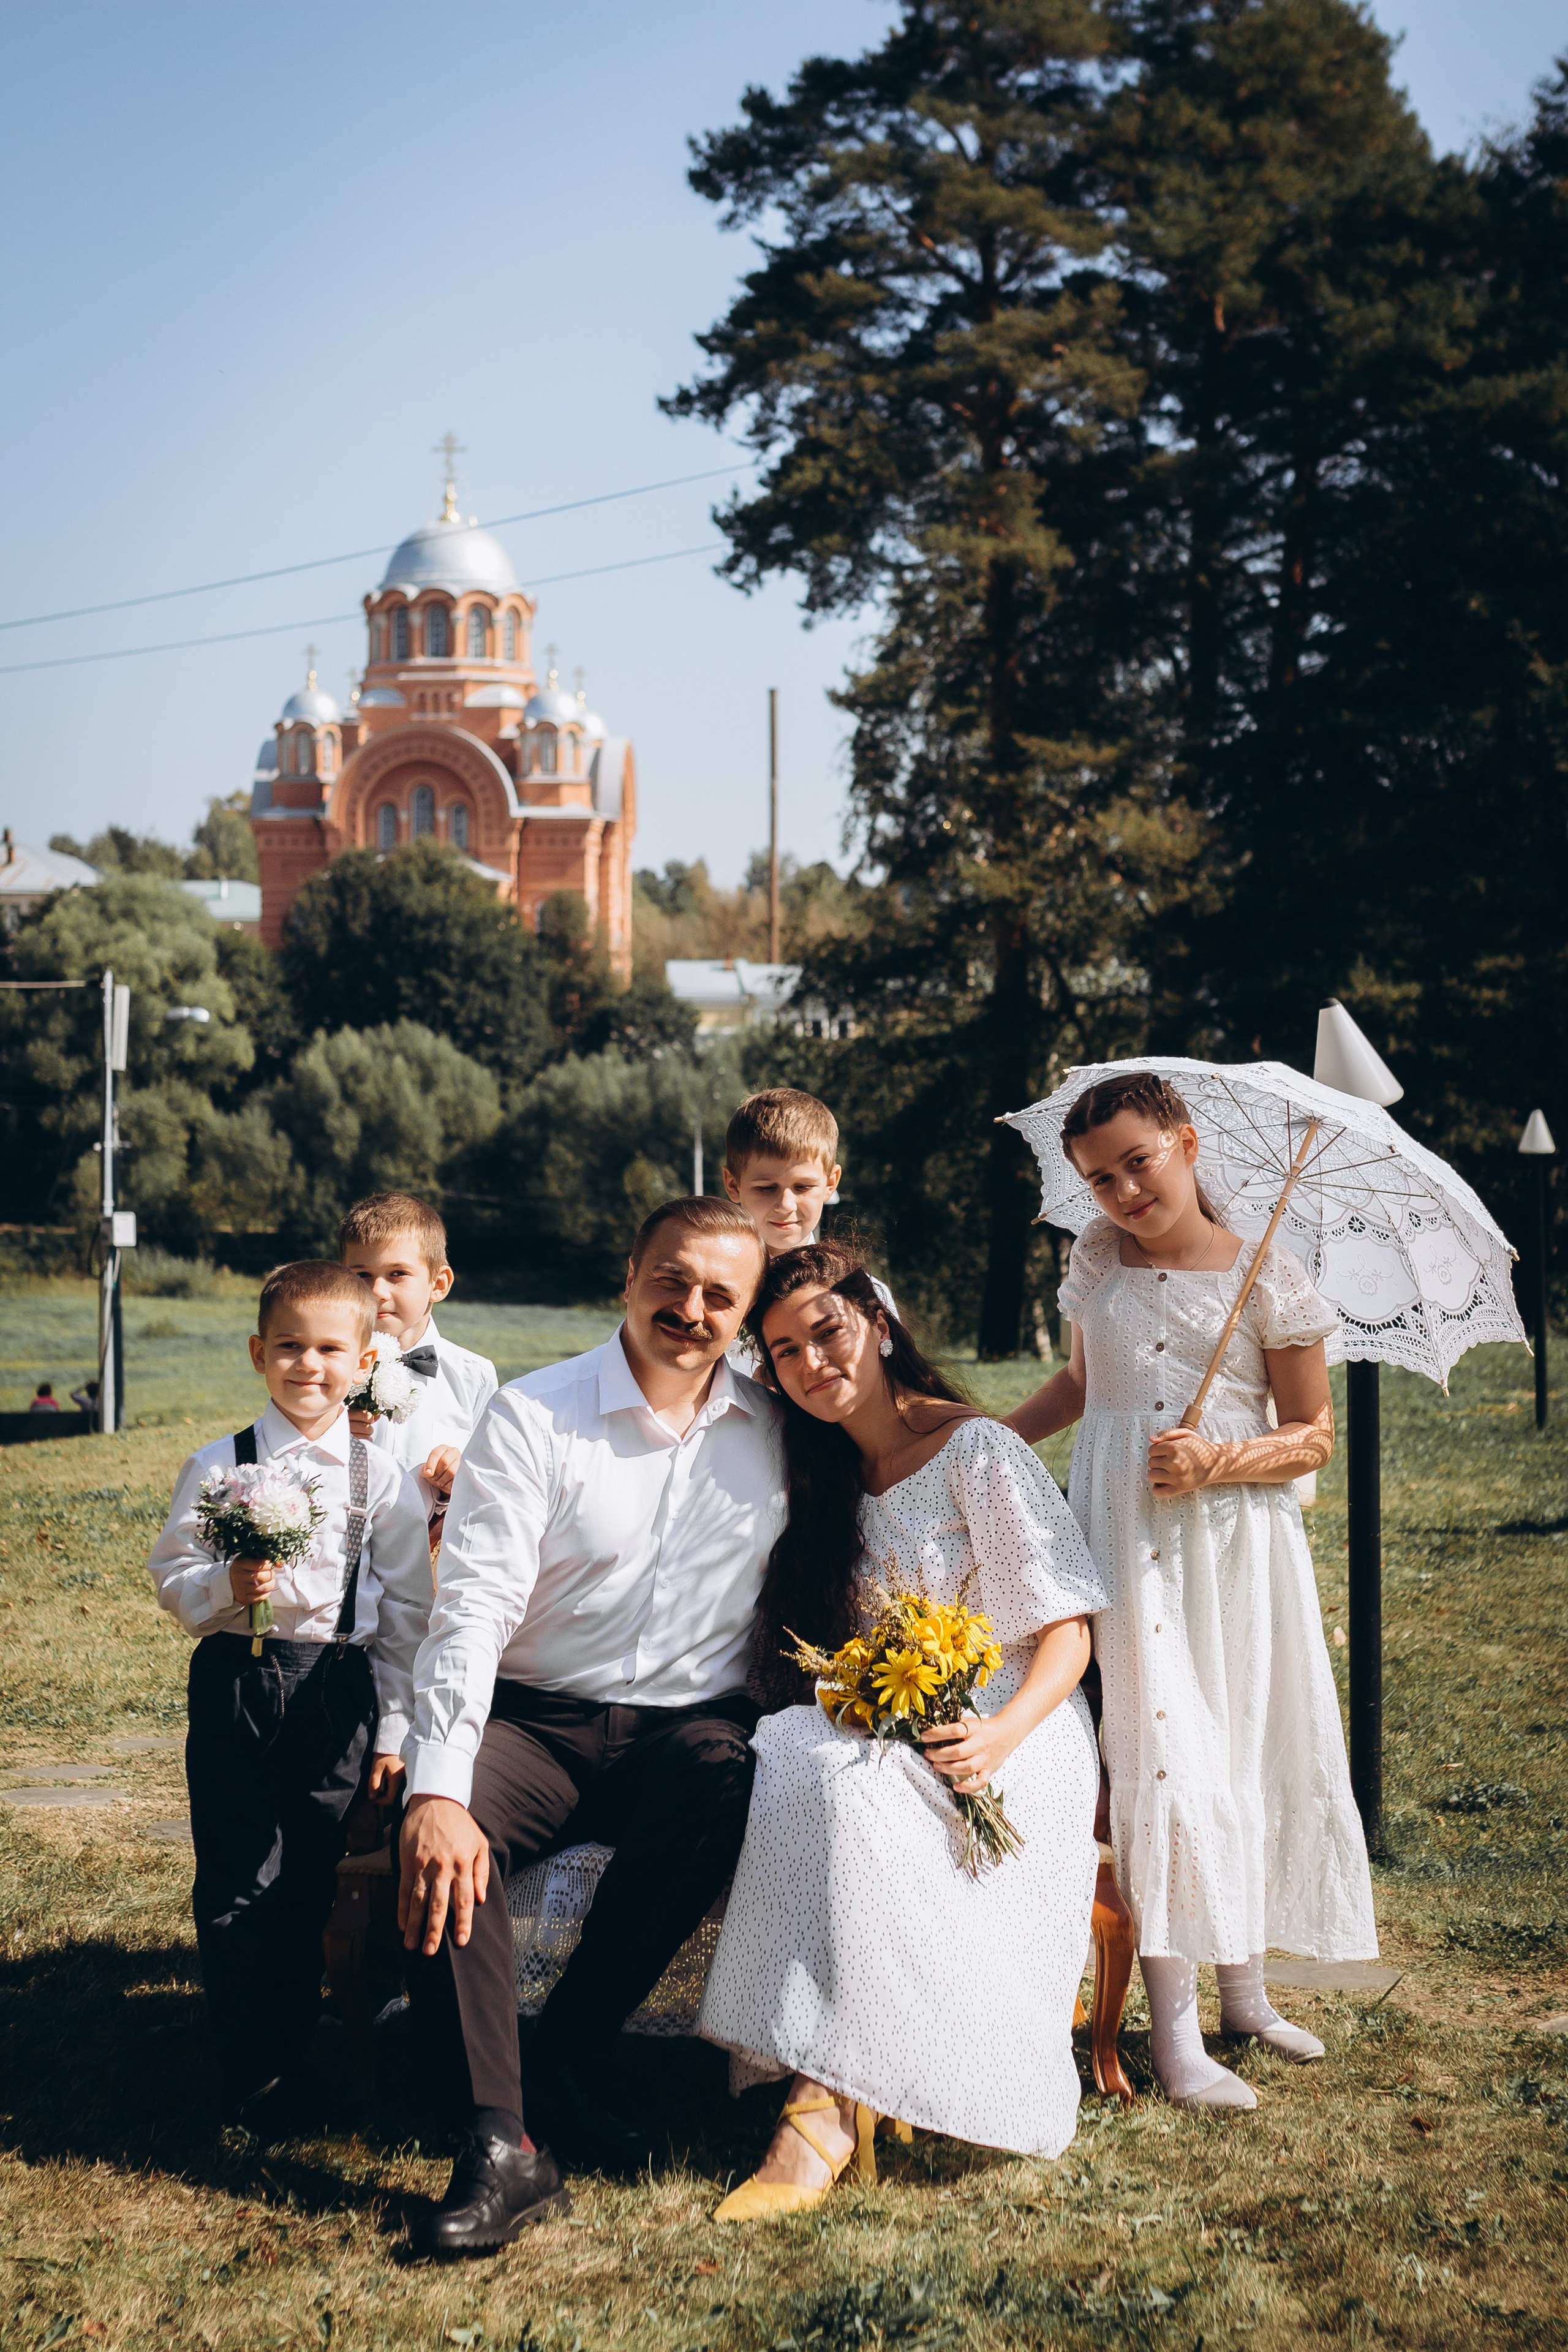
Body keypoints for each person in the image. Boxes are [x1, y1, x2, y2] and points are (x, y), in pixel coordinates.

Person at [398, 1196, 783, 2257]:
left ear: (746, 1314)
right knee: (446, 1828)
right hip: (537, 1721)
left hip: (687, 1733)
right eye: (672, 1280)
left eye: (720, 1295)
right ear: (629, 1275)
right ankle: (499, 2138)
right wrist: (437, 1784)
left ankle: (565, 2056)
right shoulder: (535, 1415)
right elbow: (472, 1606)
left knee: (725, 1776)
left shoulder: (778, 1430)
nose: (691, 1308)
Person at [697, 1242, 1109, 2220]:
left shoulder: (978, 1451)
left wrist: (1000, 1737)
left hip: (1020, 1727)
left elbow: (1068, 1634)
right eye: (785, 1351)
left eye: (829, 1333)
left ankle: (822, 2117)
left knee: (853, 1786)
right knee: (788, 1754)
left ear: (878, 1325)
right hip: (898, 1717)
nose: (813, 1363)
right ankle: (842, 2068)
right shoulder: (825, 1474)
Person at [1006, 1069, 1378, 2111]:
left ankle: (1245, 1995)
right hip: (1123, 1542)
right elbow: (1082, 1386)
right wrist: (986, 1442)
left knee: (1239, 1745)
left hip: (1234, 1549)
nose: (1125, 1192)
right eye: (1101, 1178)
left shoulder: (1271, 1276)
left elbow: (1314, 1437)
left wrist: (1218, 1461)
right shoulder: (1096, 1258)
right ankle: (1173, 2037)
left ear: (1187, 1142)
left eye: (1140, 1162)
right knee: (1161, 1756)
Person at [146, 1261, 432, 2130]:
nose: (309, 1365)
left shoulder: (379, 1478)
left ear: (365, 1361)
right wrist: (226, 1584)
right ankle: (250, 2066)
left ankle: (298, 2047)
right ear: (257, 1353)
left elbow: (407, 1618)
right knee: (237, 1873)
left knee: (308, 1877)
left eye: (330, 1350)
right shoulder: (218, 1462)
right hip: (237, 1679)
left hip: (333, 1689)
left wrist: (394, 1734)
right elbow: (172, 1576)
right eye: (289, 1348)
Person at [339, 1192, 498, 1537]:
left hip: (431, 1551)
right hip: (336, 1549)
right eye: (362, 1275)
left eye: (397, 1274)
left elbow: (493, 1485)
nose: (377, 1291)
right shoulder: (328, 1367)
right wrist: (329, 1434)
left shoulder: (474, 1375)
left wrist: (459, 1477)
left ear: (437, 1285)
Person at [722, 1088, 897, 1363]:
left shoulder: (862, 1292)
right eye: (766, 1188)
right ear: (733, 1185)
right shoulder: (709, 1291)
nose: (786, 1205)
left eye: (802, 1187)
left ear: (830, 1183)